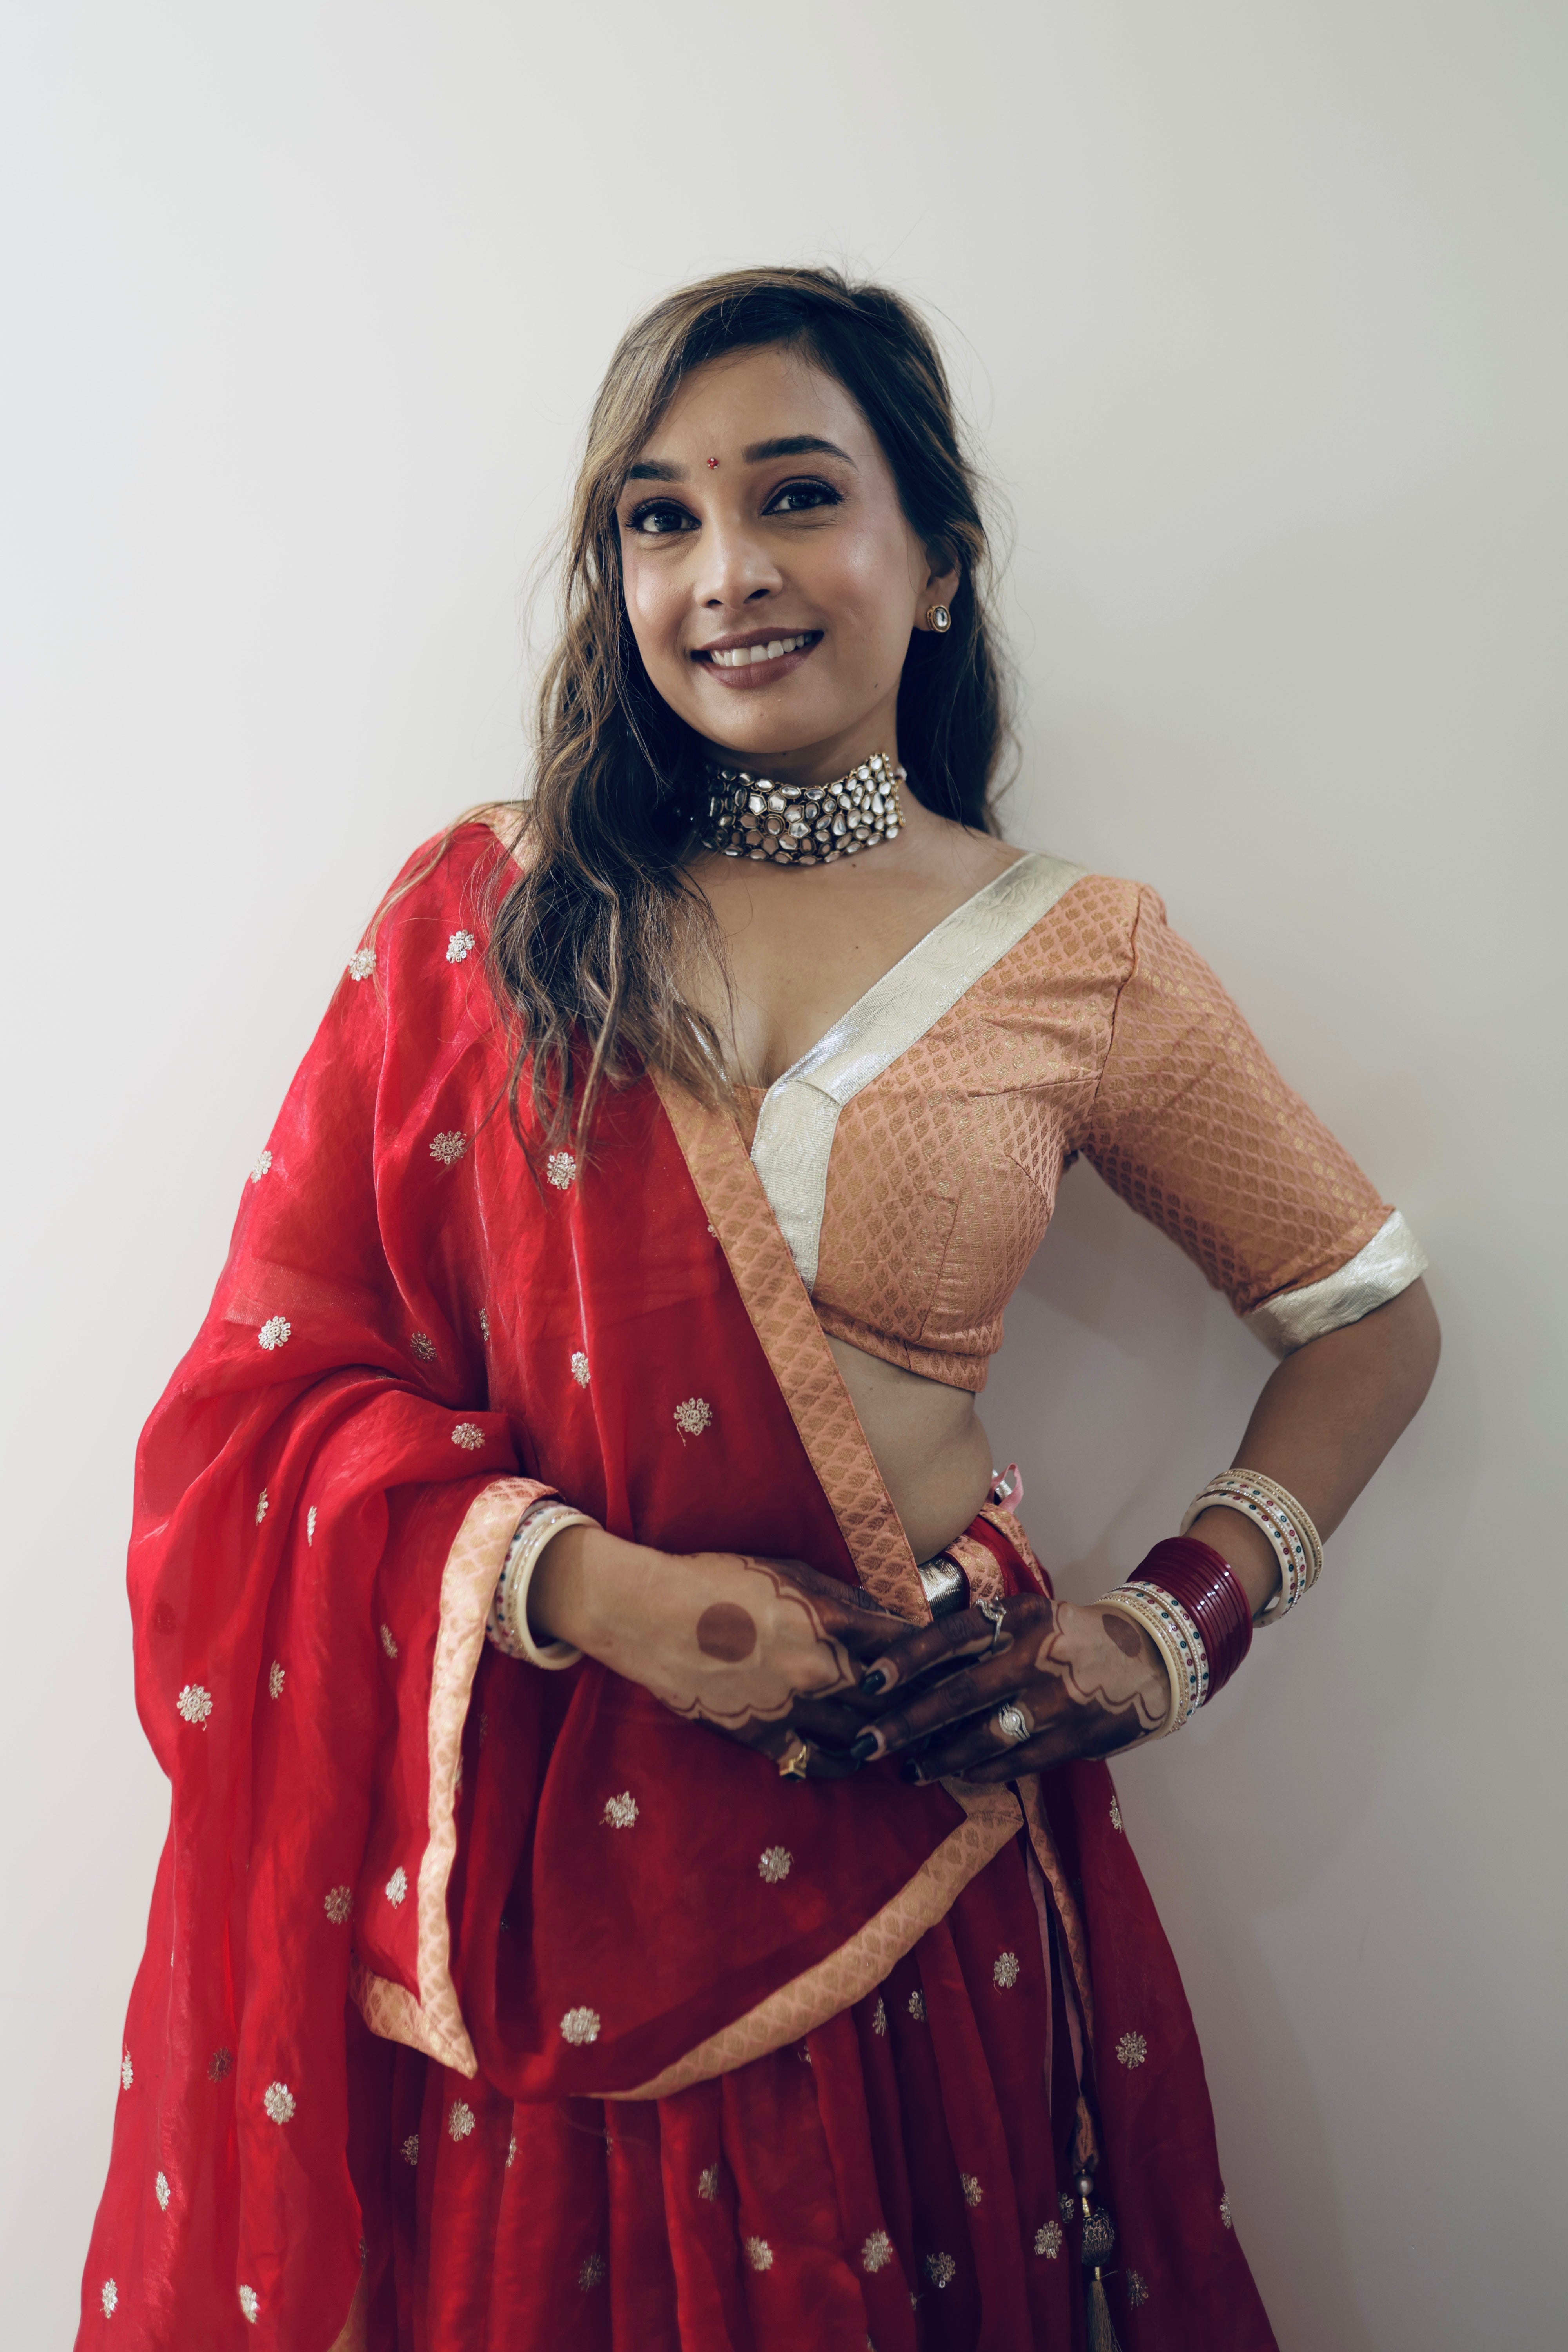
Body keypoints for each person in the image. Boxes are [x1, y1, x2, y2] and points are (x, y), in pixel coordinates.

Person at [79, 266, 1439, 2352]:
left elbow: (1367, 1319)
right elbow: (261, 1405)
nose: (726, 572)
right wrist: (601, 1595)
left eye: (797, 495)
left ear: (939, 560)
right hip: (548, 1848)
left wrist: (1173, 1628)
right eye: (662, 517)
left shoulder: (1079, 950)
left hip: (916, 1815)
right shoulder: (491, 917)